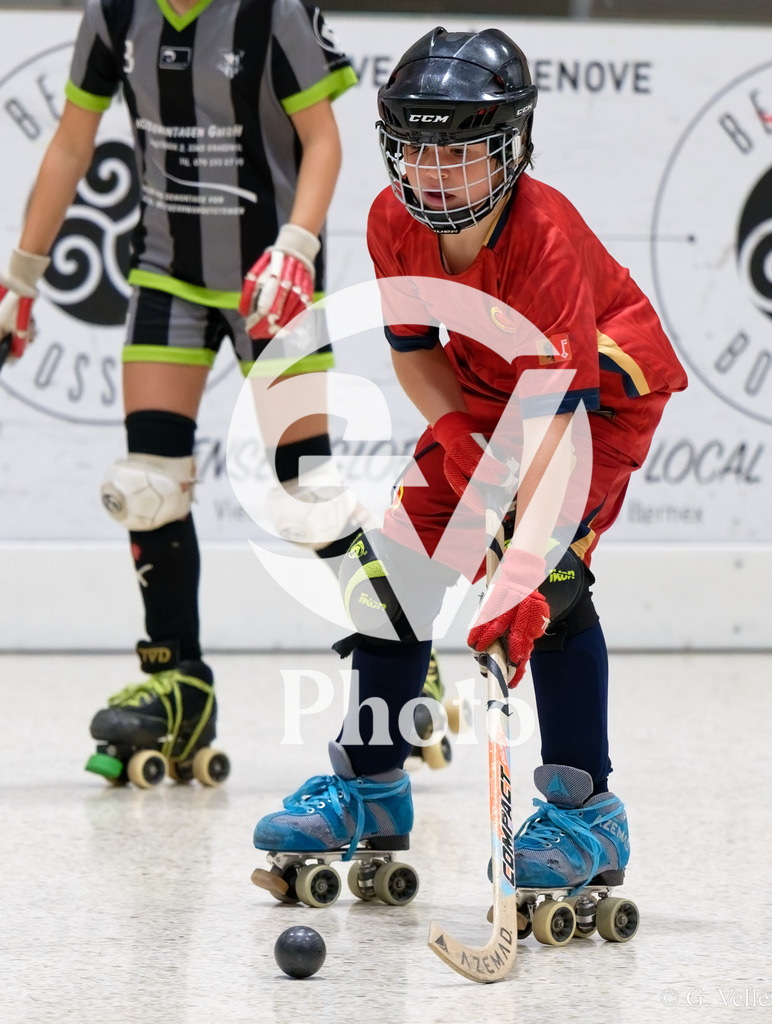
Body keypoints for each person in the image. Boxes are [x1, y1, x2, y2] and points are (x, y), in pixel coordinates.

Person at [252, 25, 688, 898]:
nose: (434, 172)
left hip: (597, 392)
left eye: (459, 151)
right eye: (414, 149)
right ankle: (369, 785)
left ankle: (585, 810)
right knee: (393, 576)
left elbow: (557, 423)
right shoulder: (390, 220)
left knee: (549, 586)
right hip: (485, 390)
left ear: (512, 147)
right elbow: (414, 347)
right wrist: (455, 436)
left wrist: (521, 566)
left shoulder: (546, 237)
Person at [0, 0, 373, 787]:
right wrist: (20, 281)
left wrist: (298, 248)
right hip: (168, 273)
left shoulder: (271, 12)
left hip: (273, 273)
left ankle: (395, 648)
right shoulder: (114, 13)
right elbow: (72, 143)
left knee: (306, 490)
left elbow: (323, 142)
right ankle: (179, 683)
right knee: (147, 486)